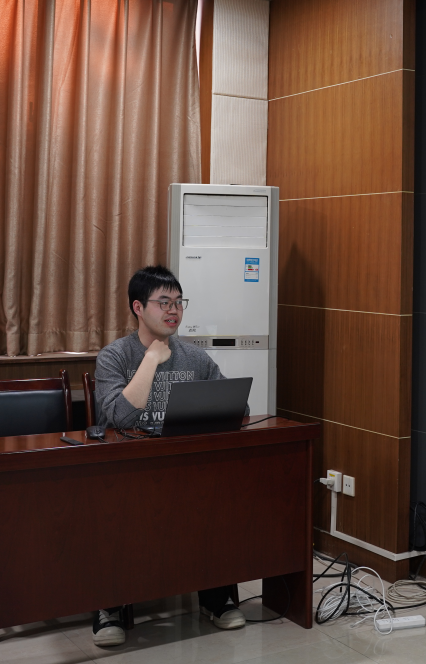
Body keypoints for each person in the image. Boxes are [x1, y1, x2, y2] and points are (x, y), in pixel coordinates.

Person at [89, 265, 246, 647]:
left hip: (180, 467)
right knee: (112, 511)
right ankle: (108, 605)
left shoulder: (196, 358)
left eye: (178, 302)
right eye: (164, 302)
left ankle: (215, 595)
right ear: (138, 307)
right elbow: (121, 417)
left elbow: (236, 408)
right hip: (124, 471)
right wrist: (151, 360)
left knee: (217, 496)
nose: (173, 310)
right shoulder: (114, 357)